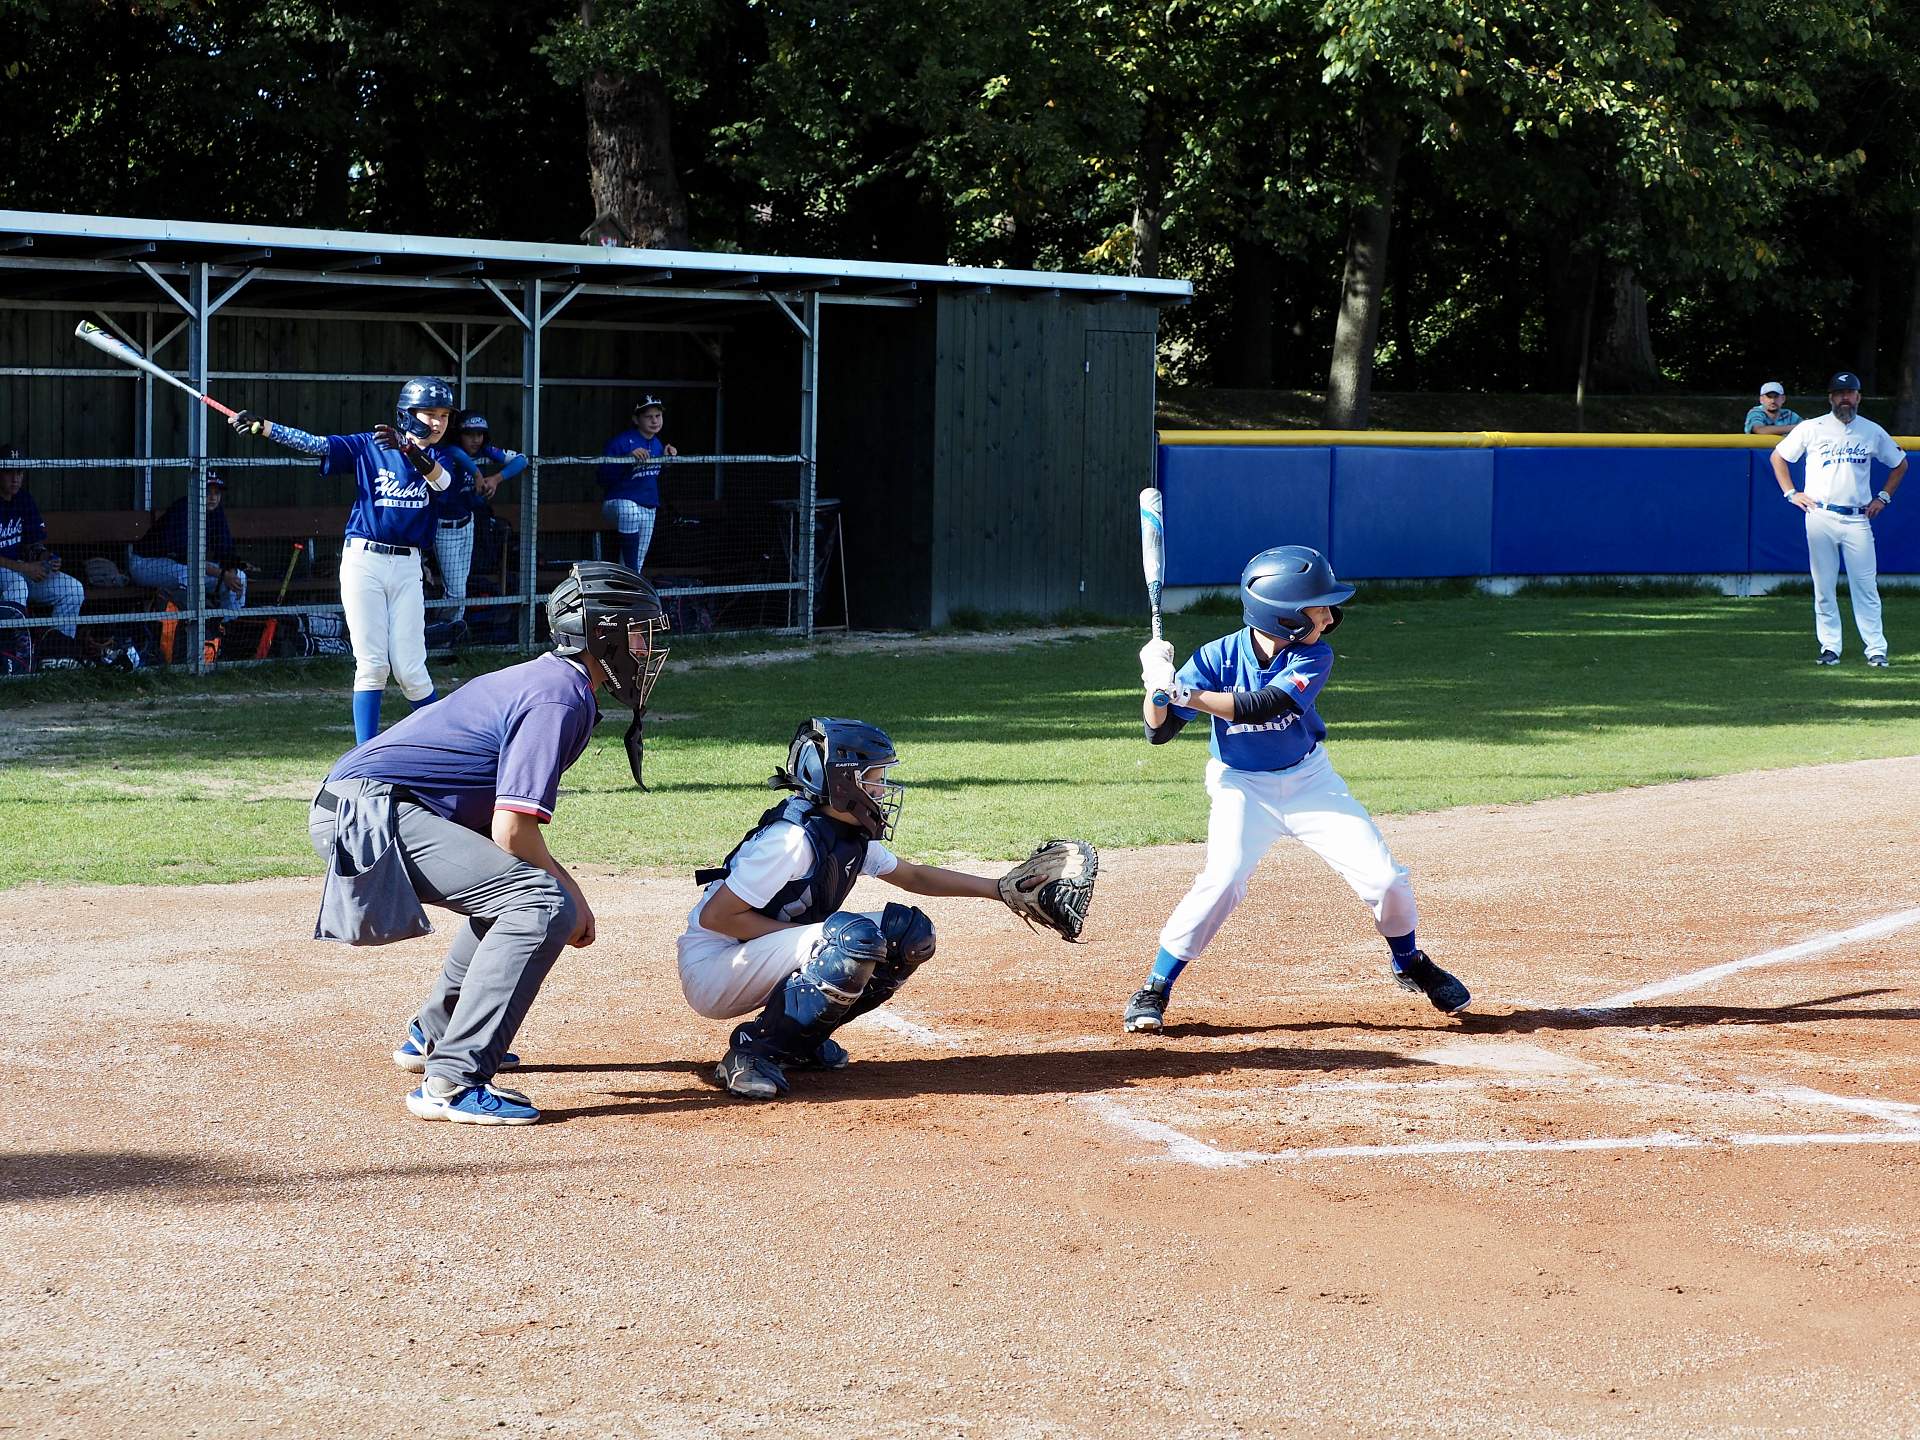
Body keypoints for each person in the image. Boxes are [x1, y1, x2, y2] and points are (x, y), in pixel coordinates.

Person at [307, 561, 670, 1125]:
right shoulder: (558, 698)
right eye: (638, 632)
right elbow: (513, 828)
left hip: (371, 805)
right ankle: (453, 1082)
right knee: (540, 901)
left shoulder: (555, 682)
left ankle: (436, 1034)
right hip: (369, 813)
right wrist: (570, 891)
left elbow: (498, 826)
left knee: (514, 891)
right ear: (602, 634)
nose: (646, 647)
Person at [1126, 545, 1471, 1034]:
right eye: (1318, 608)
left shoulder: (1314, 655)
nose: (1329, 617)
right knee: (1222, 880)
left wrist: (1184, 692)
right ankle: (1156, 987)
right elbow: (1158, 731)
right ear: (1282, 617)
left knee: (1385, 880)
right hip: (1240, 785)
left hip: (1310, 781)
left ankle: (1409, 960)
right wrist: (1155, 687)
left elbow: (1264, 705)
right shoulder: (1215, 657)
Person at [681, 717, 1040, 1100]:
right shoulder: (792, 841)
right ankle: (752, 1053)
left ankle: (798, 1042)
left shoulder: (843, 831)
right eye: (874, 779)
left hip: (753, 953)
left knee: (909, 934)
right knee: (852, 940)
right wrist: (821, 941)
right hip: (715, 968)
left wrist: (999, 889)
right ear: (841, 783)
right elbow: (717, 916)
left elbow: (914, 876)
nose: (882, 790)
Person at [229, 379, 457, 741]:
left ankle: (447, 747)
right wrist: (265, 426)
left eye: (443, 415)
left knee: (412, 671)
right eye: (430, 414)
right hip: (364, 561)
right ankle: (364, 757)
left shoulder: (442, 456)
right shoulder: (370, 445)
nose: (438, 422)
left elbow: (442, 483)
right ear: (407, 414)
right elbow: (316, 444)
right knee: (372, 665)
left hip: (407, 565)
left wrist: (409, 450)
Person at [1772, 370, 1908, 668]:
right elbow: (1778, 456)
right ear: (1830, 398)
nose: (1844, 398)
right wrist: (1791, 493)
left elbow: (1900, 463)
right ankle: (1830, 647)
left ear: (1858, 397)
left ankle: (1876, 649)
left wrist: (1883, 497)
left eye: (1849, 393)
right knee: (1824, 586)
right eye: (1839, 393)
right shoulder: (1812, 427)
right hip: (1820, 513)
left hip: (1858, 518)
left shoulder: (1871, 430)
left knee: (1865, 586)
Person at [427, 412, 525, 644]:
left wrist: (496, 479)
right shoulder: (446, 451)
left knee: (460, 587)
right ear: (458, 434)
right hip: (445, 529)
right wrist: (478, 473)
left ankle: (452, 639)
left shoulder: (484, 450)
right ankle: (442, 636)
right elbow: (455, 453)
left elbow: (522, 460)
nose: (475, 439)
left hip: (467, 524)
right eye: (469, 434)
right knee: (456, 591)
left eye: (480, 434)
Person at [129, 470, 248, 614]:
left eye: (217, 493)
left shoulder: (216, 512)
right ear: (196, 492)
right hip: (146, 565)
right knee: (188, 574)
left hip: (180, 567)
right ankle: (190, 624)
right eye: (207, 492)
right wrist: (223, 575)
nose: (213, 497)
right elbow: (187, 558)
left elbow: (226, 550)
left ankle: (229, 624)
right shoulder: (183, 509)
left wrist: (232, 573)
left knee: (240, 577)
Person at [0, 443, 86, 638]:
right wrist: (25, 568)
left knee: (72, 589)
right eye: (8, 472)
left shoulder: (23, 499)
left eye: (19, 472)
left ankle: (59, 649)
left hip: (20, 569)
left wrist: (45, 557)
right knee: (17, 585)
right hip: (11, 572)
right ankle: (16, 650)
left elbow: (32, 544)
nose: (15, 478)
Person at [597, 394, 678, 573]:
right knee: (629, 511)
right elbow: (602, 478)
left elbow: (650, 475)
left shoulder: (657, 444)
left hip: (648, 506)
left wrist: (666, 461)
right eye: (648, 416)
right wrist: (626, 459)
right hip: (617, 503)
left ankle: (628, 585)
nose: (654, 421)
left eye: (658, 416)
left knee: (636, 562)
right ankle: (631, 570)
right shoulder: (621, 442)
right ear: (636, 419)